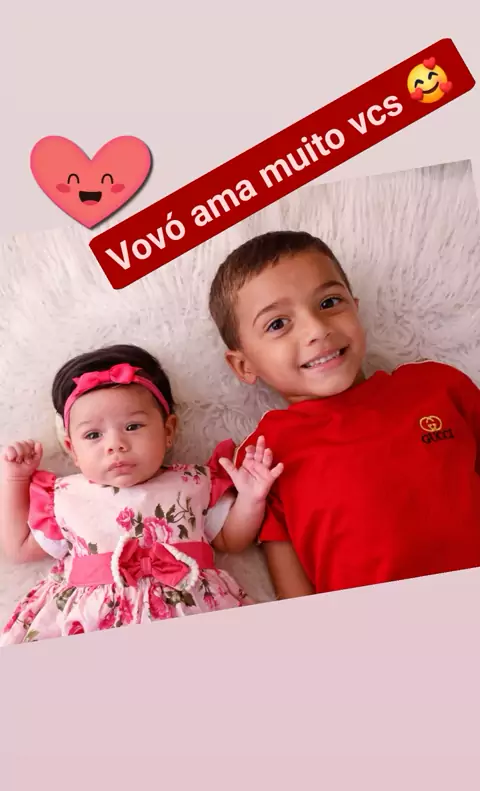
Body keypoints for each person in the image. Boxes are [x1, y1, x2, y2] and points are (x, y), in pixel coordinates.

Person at [209, 230, 480, 599]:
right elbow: (293, 591)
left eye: (329, 302)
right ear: (244, 365)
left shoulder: (437, 386)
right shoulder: (266, 455)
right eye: (278, 324)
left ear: (355, 307)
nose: (317, 329)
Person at [0, 344, 283, 644]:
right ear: (72, 450)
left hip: (191, 607)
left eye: (133, 426)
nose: (115, 444)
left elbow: (231, 541)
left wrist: (251, 498)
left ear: (168, 430)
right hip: (92, 619)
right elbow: (19, 549)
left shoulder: (194, 482)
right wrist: (16, 478)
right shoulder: (66, 495)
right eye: (93, 435)